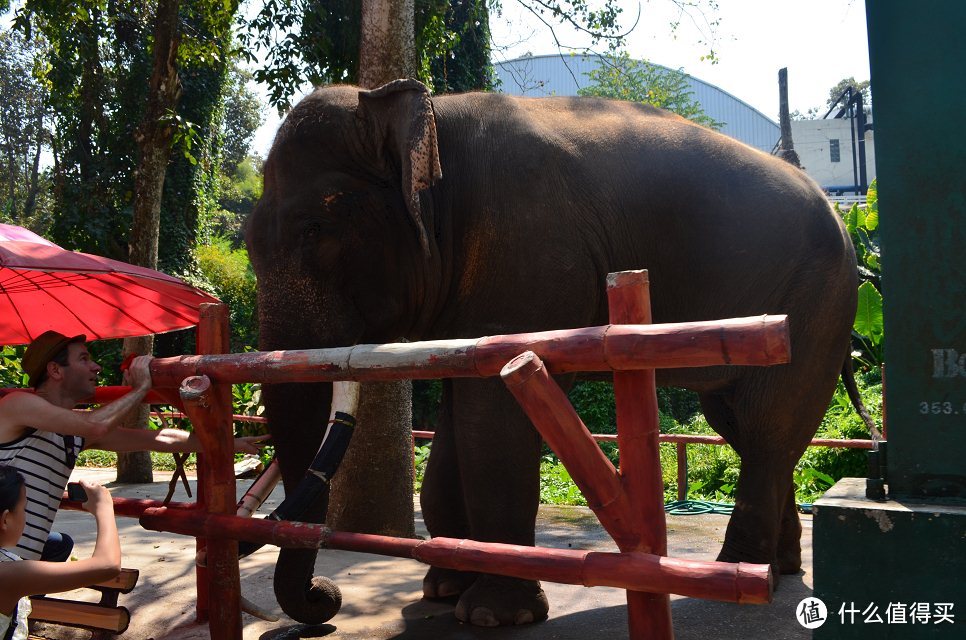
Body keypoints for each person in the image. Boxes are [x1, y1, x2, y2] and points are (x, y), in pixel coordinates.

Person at [0, 330, 264, 561]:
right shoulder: (18, 405)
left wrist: (232, 443)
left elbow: (159, 439)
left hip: (17, 561)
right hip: (8, 560)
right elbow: (97, 425)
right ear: (55, 370)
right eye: (84, 359)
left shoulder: (74, 431)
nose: (96, 367)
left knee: (60, 546)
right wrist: (140, 388)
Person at [1, 466, 121, 640]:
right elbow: (108, 564)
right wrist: (104, 508)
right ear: (5, 519)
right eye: (23, 508)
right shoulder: (9, 574)